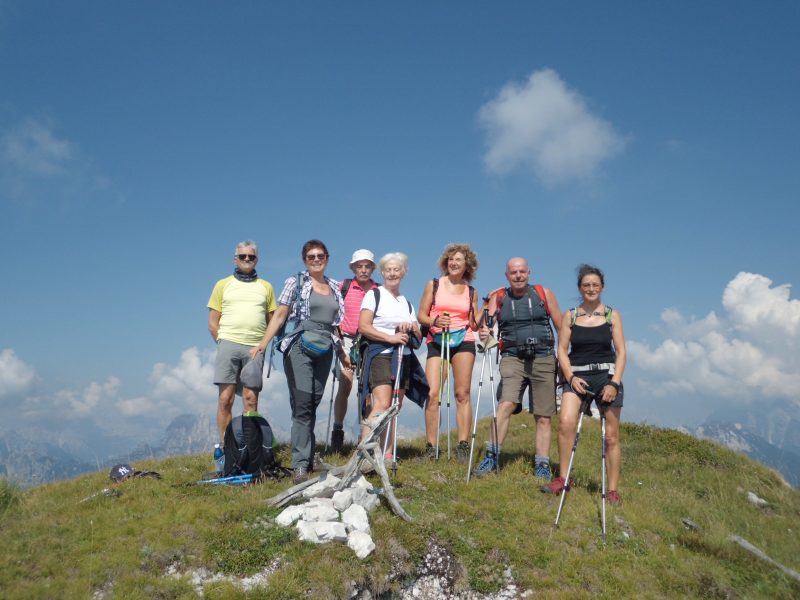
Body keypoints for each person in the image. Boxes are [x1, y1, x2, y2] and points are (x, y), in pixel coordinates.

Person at [252, 240, 352, 484]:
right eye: (311, 256)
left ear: (327, 258)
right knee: (303, 404)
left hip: (326, 348)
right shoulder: (295, 282)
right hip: (299, 346)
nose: (316, 259)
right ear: (305, 260)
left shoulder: (335, 287)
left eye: (320, 256)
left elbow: (335, 325)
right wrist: (263, 344)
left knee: (312, 403)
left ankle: (308, 458)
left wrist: (341, 353)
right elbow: (281, 314)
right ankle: (299, 465)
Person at [543, 264, 626, 504]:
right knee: (566, 423)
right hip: (576, 376)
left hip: (607, 375)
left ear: (602, 288)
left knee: (611, 436)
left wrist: (614, 383)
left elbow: (621, 352)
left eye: (595, 285)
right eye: (586, 285)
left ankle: (612, 490)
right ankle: (562, 478)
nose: (591, 289)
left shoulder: (612, 316)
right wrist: (569, 377)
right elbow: (562, 349)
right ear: (580, 288)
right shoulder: (570, 315)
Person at [474, 257, 562, 478]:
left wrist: (563, 356)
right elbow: (484, 325)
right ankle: (491, 457)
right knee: (506, 405)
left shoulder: (544, 293)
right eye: (513, 272)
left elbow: (562, 327)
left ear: (529, 273)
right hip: (512, 356)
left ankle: (542, 464)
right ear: (507, 275)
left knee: (543, 415)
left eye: (522, 271)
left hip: (543, 357)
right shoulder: (499, 297)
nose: (518, 275)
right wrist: (485, 332)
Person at [207, 240, 277, 446]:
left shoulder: (266, 287)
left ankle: (249, 447)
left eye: (251, 257)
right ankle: (226, 448)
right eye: (243, 256)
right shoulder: (222, 284)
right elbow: (213, 322)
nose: (247, 260)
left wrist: (263, 344)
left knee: (250, 400)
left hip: (255, 348)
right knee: (225, 399)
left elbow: (273, 320)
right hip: (228, 344)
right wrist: (222, 342)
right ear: (235, 259)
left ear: (257, 260)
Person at [358, 253, 427, 459]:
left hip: (403, 357)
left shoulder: (406, 303)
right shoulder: (374, 295)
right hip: (381, 354)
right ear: (382, 272)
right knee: (381, 404)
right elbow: (364, 326)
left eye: (397, 269)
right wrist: (390, 338)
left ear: (404, 272)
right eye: (388, 269)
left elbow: (418, 334)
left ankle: (387, 454)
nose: (392, 273)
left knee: (395, 406)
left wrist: (411, 327)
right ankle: (366, 452)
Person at [418, 243, 480, 462]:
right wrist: (435, 320)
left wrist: (485, 315)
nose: (454, 263)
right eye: (451, 259)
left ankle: (463, 445)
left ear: (467, 266)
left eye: (459, 260)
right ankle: (431, 447)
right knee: (433, 393)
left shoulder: (471, 291)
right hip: (437, 339)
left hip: (464, 339)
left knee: (462, 394)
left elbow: (473, 323)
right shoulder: (434, 285)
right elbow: (422, 316)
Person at [329, 249, 379, 454]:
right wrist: (338, 343)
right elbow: (332, 313)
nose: (364, 270)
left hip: (369, 340)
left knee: (366, 390)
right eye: (360, 266)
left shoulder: (378, 290)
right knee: (345, 385)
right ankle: (338, 431)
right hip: (346, 340)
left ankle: (364, 435)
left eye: (367, 266)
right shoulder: (344, 287)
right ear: (353, 268)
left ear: (372, 268)